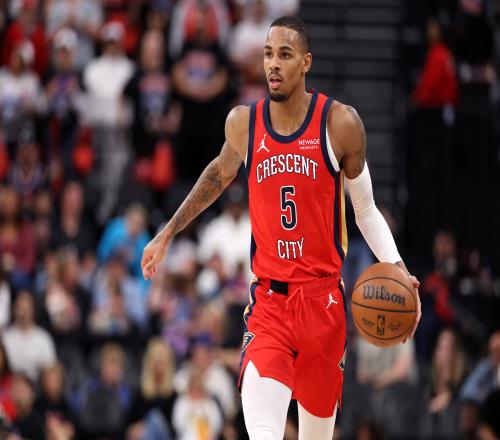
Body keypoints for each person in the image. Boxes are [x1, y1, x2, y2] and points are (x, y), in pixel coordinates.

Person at [141, 16, 421, 439]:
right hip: (269, 304)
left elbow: (365, 211)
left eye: (285, 55)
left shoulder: (340, 123)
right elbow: (217, 175)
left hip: (323, 304)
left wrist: (398, 267)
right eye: (268, 54)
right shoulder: (244, 123)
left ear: (306, 62)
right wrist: (167, 234)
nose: (273, 63)